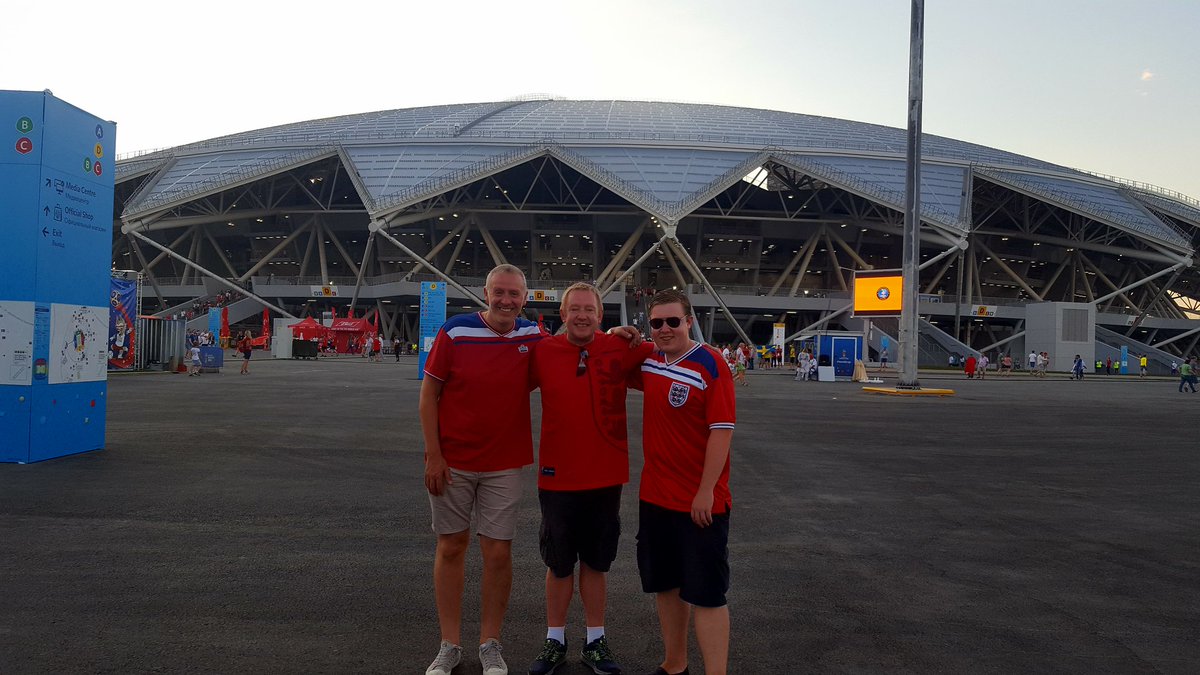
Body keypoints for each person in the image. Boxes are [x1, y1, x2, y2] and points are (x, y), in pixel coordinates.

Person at [420, 264, 546, 675]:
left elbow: (575, 350)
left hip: (504, 463)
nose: (507, 301)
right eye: (500, 292)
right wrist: (433, 455)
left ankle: (490, 642)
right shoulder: (456, 331)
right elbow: (429, 395)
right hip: (453, 461)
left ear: (525, 299)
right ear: (485, 293)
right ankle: (450, 644)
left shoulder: (533, 336)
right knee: (451, 546)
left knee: (497, 552)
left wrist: (618, 335)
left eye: (515, 294)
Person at [526, 282, 651, 675]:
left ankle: (595, 639)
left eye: (589, 310)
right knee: (559, 563)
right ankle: (555, 639)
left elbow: (673, 353)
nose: (582, 315)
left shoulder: (622, 348)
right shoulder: (542, 351)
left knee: (597, 563)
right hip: (557, 476)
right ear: (562, 316)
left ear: (601, 317)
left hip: (604, 476)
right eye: (574, 309)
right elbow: (497, 385)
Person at [631, 289, 736, 675]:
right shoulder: (650, 360)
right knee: (667, 585)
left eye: (673, 321)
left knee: (707, 593)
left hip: (700, 503)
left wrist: (706, 490)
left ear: (689, 321)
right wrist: (623, 334)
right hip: (656, 497)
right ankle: (675, 664)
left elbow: (721, 431)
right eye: (656, 322)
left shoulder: (710, 364)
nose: (664, 329)